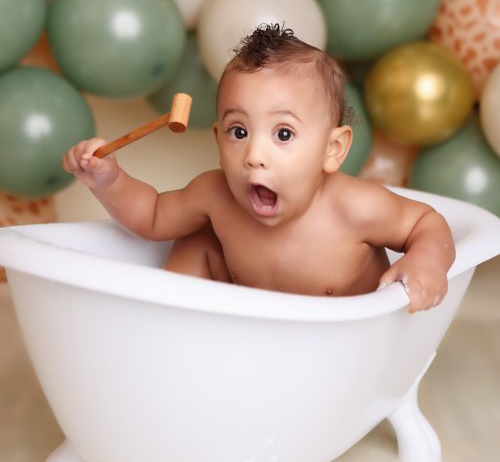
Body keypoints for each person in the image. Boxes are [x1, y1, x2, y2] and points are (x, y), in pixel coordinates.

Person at [63, 24, 455, 312]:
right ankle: (172, 330)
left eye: (283, 134)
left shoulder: (354, 208)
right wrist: (108, 180)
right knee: (196, 243)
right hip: (247, 335)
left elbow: (428, 224)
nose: (254, 154)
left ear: (332, 150)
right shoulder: (215, 195)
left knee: (201, 238)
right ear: (218, 140)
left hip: (338, 351)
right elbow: (151, 217)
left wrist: (426, 262)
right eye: (238, 131)